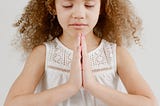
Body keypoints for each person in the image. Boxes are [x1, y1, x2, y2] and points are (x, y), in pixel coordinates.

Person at [4, 0, 158, 106]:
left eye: (89, 4)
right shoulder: (43, 54)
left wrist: (93, 87)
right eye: (67, 5)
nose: (78, 14)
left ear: (102, 6)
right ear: (53, 6)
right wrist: (70, 87)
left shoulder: (116, 54)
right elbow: (12, 103)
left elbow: (149, 103)